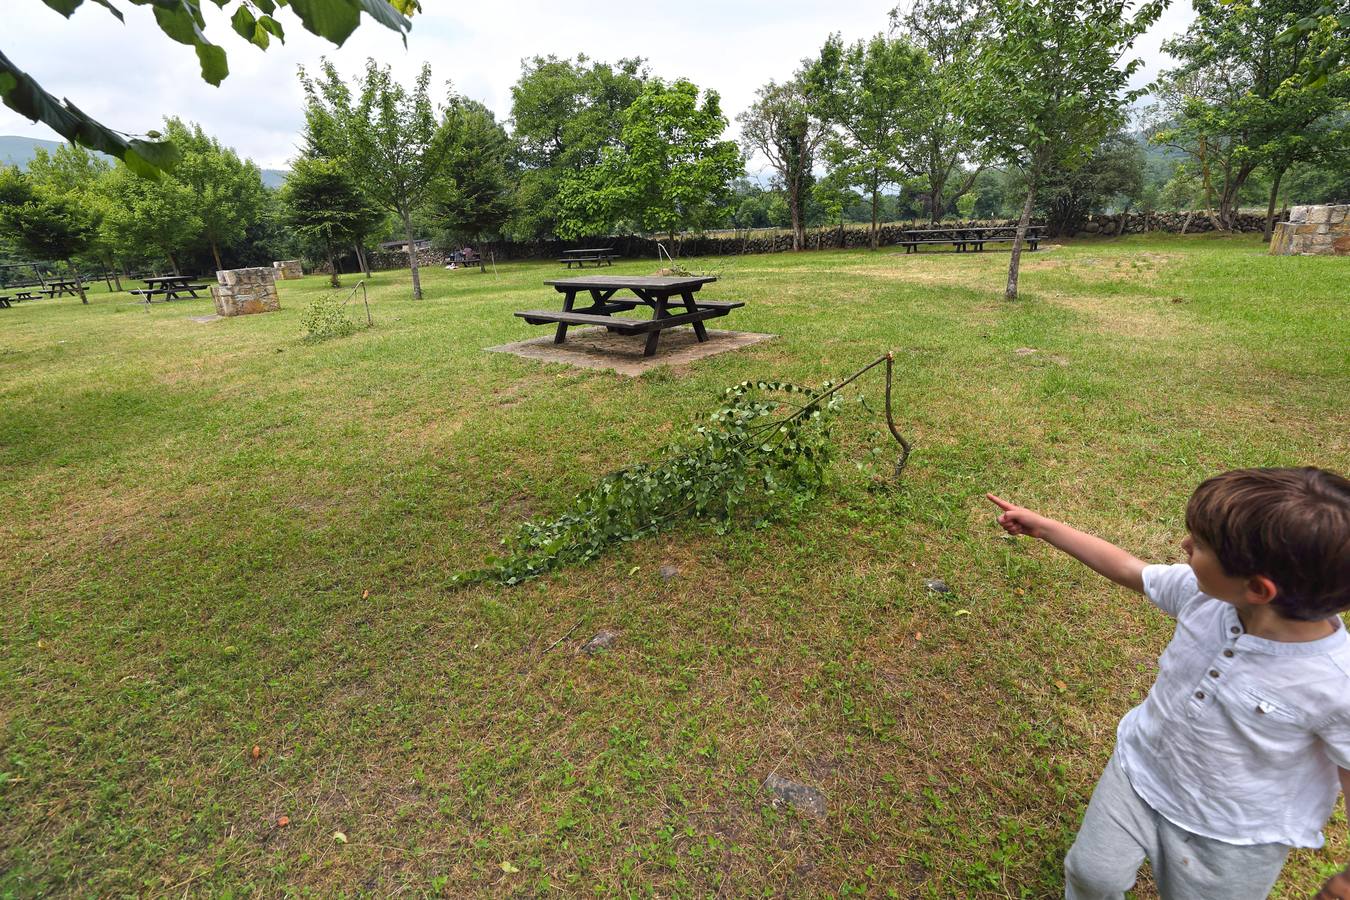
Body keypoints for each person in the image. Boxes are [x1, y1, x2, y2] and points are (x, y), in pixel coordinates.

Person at [986, 467, 1350, 900]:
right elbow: (1128, 568)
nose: (1184, 546)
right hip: (1139, 773)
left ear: (1257, 588)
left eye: (1200, 545)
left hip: (1232, 836)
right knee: (1090, 875)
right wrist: (1046, 528)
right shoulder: (1206, 597)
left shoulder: (1335, 684)